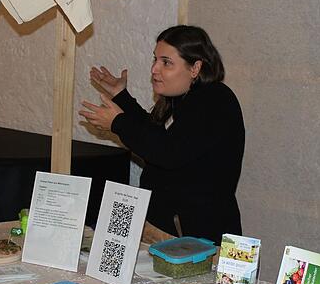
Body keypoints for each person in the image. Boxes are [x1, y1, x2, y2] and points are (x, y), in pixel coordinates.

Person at [80, 25, 244, 244]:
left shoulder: (214, 100)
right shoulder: (184, 98)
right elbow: (157, 137)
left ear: (195, 68)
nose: (155, 69)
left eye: (166, 62)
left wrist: (118, 123)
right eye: (155, 60)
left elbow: (168, 153)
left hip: (198, 241)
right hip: (172, 233)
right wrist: (122, 98)